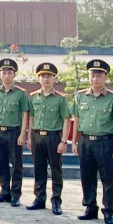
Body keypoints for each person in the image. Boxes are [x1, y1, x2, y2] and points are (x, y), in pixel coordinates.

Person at [71, 59, 113, 224]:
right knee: (87, 176)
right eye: (92, 75)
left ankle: (108, 211)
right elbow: (77, 119)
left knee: (108, 179)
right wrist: (74, 141)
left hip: (105, 142)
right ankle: (90, 207)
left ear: (106, 77)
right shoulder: (80, 97)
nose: (95, 78)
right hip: (85, 141)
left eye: (99, 75)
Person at [26, 62, 70, 215]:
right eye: (43, 76)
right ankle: (39, 198)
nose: (46, 79)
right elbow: (31, 117)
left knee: (56, 170)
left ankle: (56, 200)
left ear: (54, 79)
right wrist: (29, 137)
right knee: (39, 168)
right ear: (39, 79)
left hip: (54, 137)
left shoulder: (61, 99)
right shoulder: (33, 97)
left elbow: (66, 119)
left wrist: (63, 141)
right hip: (37, 136)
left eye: (49, 76)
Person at [0, 58, 31, 207]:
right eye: (4, 73)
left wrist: (23, 134)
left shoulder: (21, 93)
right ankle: (4, 191)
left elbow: (25, 114)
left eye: (9, 73)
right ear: (0, 75)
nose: (6, 76)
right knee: (1, 163)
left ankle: (15, 194)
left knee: (16, 164)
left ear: (14, 75)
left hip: (14, 132)